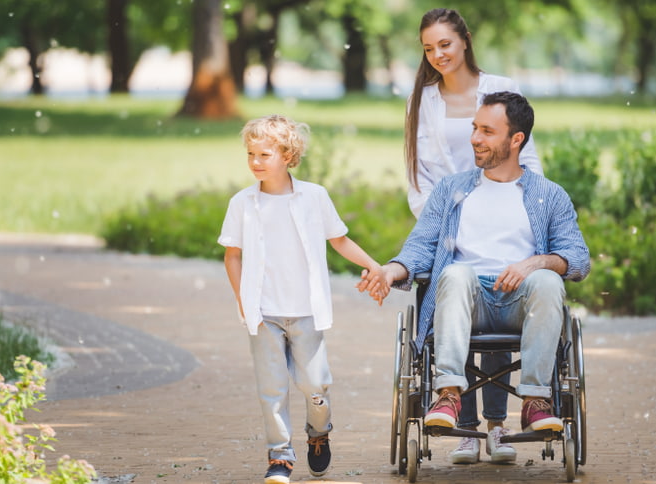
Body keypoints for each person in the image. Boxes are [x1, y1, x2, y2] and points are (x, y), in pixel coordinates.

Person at [361, 92, 590, 460]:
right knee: (454, 273)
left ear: (516, 139)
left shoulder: (550, 196)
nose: (475, 139)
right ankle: (449, 395)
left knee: (549, 279)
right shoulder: (452, 191)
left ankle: (535, 400)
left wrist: (533, 263)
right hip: (466, 299)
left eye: (487, 130)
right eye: (474, 128)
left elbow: (578, 260)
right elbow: (420, 247)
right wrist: (391, 271)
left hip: (521, 300)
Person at [403, 7, 544, 465]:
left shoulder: (500, 90)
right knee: (456, 291)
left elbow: (529, 156)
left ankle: (498, 427)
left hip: (505, 212)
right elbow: (418, 172)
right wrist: (443, 219)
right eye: (429, 48)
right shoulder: (424, 99)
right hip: (445, 223)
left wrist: (529, 210)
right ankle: (464, 426)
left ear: (464, 39)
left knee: (501, 287)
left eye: (445, 43)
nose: (438, 54)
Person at [219, 114, 388, 484]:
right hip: (263, 314)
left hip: (307, 311)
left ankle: (319, 431)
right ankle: (280, 457)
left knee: (315, 385)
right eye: (250, 154)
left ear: (287, 154)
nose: (255, 162)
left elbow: (339, 239)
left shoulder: (314, 197)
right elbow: (232, 255)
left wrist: (375, 266)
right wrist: (243, 302)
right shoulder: (242, 203)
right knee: (272, 390)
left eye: (264, 154)